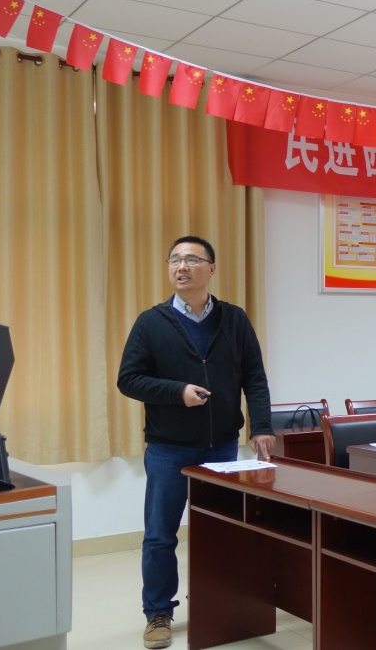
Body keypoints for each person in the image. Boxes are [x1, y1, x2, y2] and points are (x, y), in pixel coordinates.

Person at [117, 236, 273, 649]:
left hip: (221, 447)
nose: (181, 266)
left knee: (220, 532)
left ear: (211, 269)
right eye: (175, 260)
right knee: (160, 535)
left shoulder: (234, 319)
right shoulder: (151, 322)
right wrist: (177, 392)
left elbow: (254, 377)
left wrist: (261, 426)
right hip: (169, 448)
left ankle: (215, 607)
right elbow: (128, 379)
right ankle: (158, 613)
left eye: (191, 259)